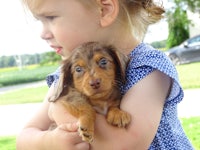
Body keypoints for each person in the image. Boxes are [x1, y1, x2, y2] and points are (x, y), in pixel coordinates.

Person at [16, 0, 194, 150]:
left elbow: (127, 144)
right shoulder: (69, 73)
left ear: (104, 10)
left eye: (50, 17)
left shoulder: (148, 67)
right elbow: (24, 138)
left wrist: (61, 110)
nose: (43, 34)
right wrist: (52, 141)